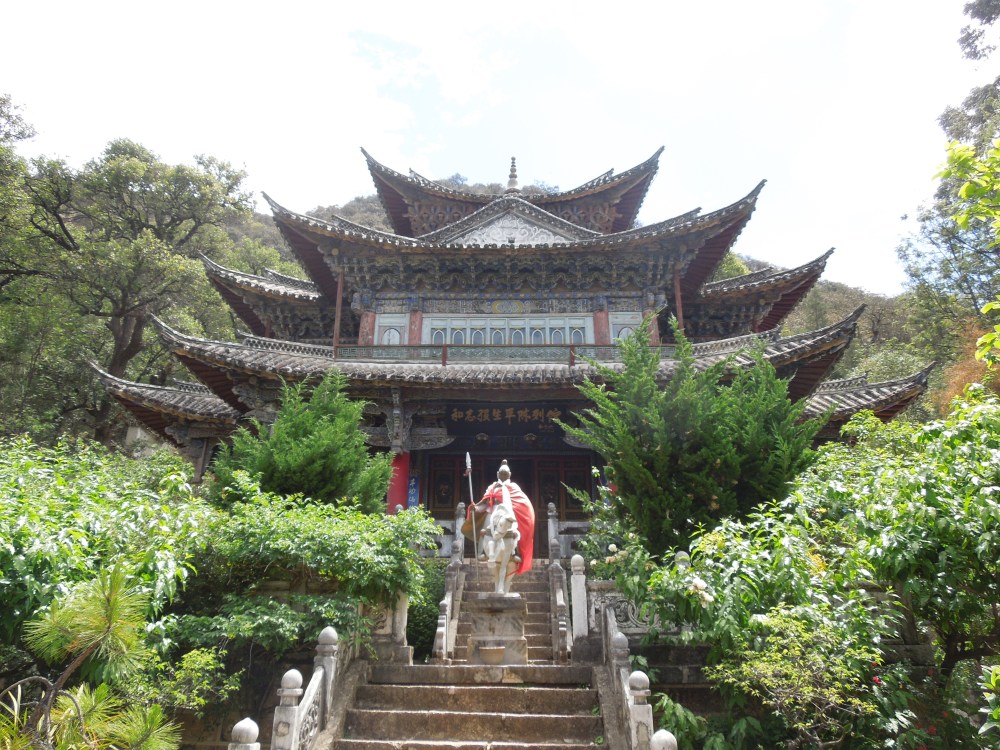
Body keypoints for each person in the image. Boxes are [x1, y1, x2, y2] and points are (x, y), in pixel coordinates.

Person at [477, 459, 535, 575]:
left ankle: (515, 553)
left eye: (505, 474)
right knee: (486, 530)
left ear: (509, 475)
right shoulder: (492, 487)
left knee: (514, 531)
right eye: (501, 473)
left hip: (508, 512)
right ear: (498, 474)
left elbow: (520, 501)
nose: (503, 475)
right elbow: (485, 503)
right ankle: (484, 552)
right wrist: (476, 509)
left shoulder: (514, 486)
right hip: (494, 512)